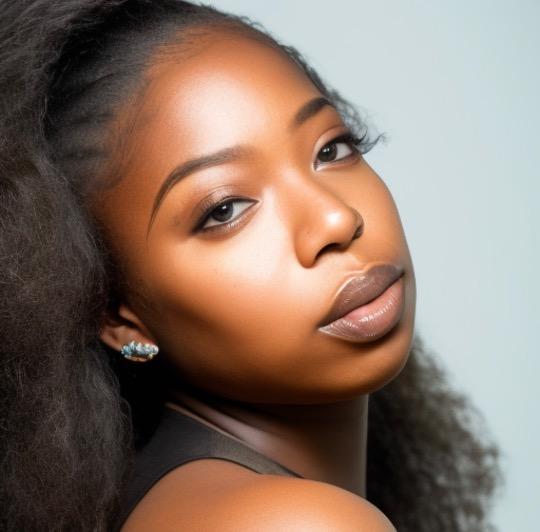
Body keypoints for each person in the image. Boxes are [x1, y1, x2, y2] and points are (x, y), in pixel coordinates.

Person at [0, 1, 502, 530]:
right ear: (119, 317)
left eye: (331, 150)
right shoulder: (289, 521)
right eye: (225, 209)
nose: (335, 219)